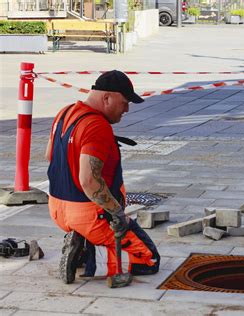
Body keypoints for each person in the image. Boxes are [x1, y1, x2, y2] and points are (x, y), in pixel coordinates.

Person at [45, 70, 160, 284]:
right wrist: (118, 213)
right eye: (124, 102)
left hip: (57, 209)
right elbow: (89, 180)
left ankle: (79, 244)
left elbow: (49, 155)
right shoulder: (97, 126)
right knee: (149, 259)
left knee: (93, 226)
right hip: (90, 215)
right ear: (107, 98)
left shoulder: (64, 113)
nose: (126, 109)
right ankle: (90, 256)